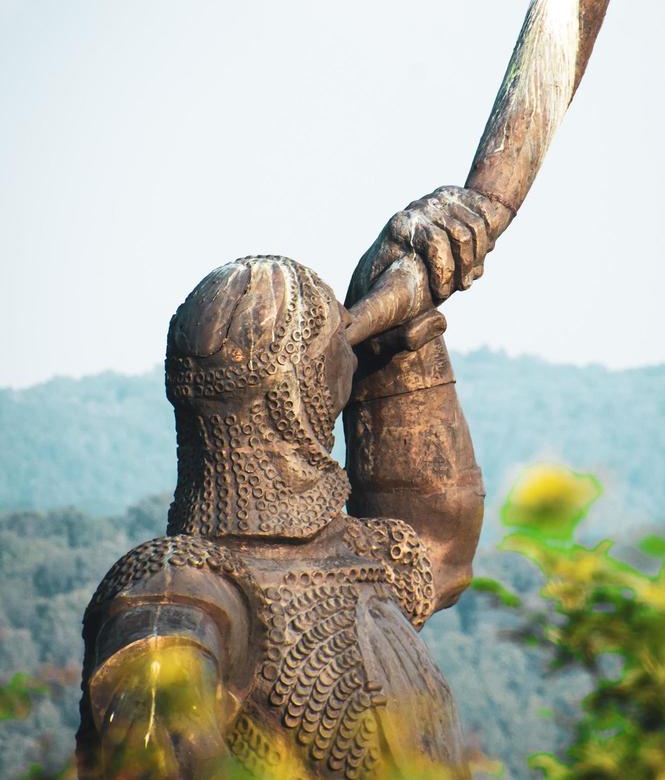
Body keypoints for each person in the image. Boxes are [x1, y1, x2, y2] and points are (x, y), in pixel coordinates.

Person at [76, 185, 507, 779]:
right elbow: (154, 759)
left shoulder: (355, 558)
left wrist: (396, 329)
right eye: (341, 347)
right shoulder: (174, 593)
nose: (349, 360)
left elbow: (438, 539)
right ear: (296, 393)